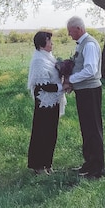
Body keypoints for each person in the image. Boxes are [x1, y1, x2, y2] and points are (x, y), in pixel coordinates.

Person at [63, 16, 105, 179]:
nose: (69, 34)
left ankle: (97, 169)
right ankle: (89, 164)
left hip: (90, 91)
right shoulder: (83, 45)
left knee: (93, 129)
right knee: (86, 129)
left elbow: (90, 70)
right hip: (84, 91)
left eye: (70, 31)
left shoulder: (90, 45)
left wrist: (70, 80)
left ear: (78, 29)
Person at [27, 31, 66, 175]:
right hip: (44, 102)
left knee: (51, 133)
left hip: (54, 100)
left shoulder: (48, 57)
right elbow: (42, 85)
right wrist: (62, 87)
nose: (52, 44)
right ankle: (38, 165)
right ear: (42, 44)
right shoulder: (38, 60)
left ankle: (48, 163)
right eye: (49, 41)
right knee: (41, 133)